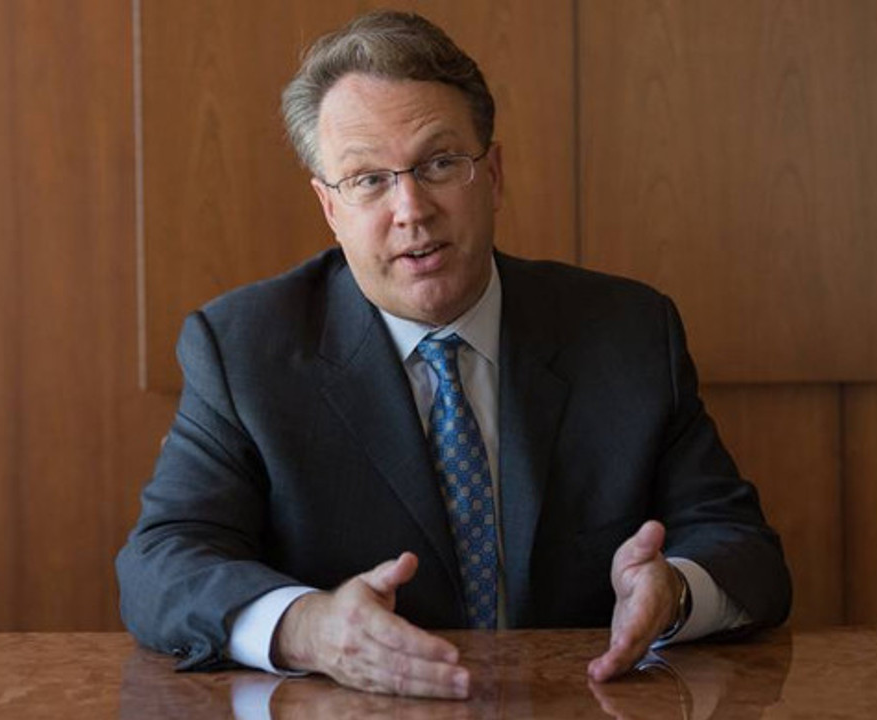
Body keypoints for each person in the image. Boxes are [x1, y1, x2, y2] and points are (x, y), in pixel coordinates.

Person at [116, 9, 790, 700]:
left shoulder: (628, 333)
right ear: (330, 208)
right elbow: (162, 563)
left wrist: (674, 591)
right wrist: (308, 627)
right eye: (368, 179)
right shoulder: (244, 350)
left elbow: (741, 547)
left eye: (439, 164)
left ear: (491, 175)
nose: (411, 209)